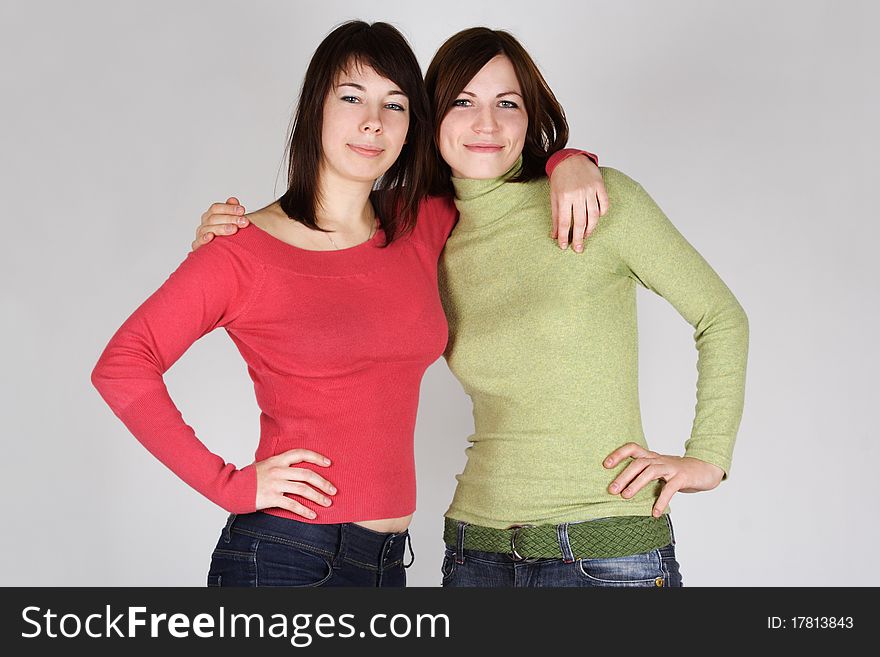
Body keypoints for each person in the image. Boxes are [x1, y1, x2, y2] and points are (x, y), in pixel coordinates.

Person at [196, 27, 749, 588]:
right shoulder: (417, 230)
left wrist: (707, 457)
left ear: (530, 116)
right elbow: (318, 238)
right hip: (475, 552)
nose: (485, 123)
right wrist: (232, 237)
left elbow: (721, 317)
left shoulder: (598, 202)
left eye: (506, 103)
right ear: (429, 120)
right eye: (462, 102)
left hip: (607, 550)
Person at [91, 21, 606, 587]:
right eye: (352, 97)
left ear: (412, 128)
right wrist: (230, 486)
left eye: (396, 105)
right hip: (285, 556)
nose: (373, 122)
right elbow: (122, 366)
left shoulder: (419, 222)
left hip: (388, 564)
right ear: (316, 108)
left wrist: (570, 161)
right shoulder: (241, 249)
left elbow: (496, 166)